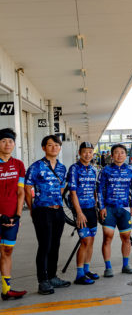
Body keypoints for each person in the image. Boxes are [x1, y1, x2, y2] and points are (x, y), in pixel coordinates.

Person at [25, 135, 70, 295]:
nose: (54, 148)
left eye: (56, 145)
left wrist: (56, 199)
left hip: (58, 210)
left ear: (60, 148)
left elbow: (62, 187)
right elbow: (27, 189)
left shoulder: (62, 168)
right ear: (44, 148)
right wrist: (33, 209)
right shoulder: (36, 166)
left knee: (55, 245)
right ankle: (42, 280)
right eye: (50, 145)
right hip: (42, 210)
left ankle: (52, 276)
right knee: (45, 245)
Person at [97, 144, 132, 277]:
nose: (119, 155)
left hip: (125, 209)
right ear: (112, 155)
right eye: (116, 152)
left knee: (126, 238)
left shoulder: (131, 170)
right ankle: (108, 267)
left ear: (126, 155)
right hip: (109, 209)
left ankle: (126, 265)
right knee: (107, 238)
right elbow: (99, 190)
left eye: (122, 152)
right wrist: (101, 207)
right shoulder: (105, 170)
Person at [0, 128, 27, 300]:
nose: (7, 144)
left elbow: (21, 191)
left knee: (7, 251)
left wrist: (17, 215)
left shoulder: (19, 165)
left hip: (12, 217)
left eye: (10, 141)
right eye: (3, 141)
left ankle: (6, 290)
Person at [67, 142, 99, 285]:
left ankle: (86, 270)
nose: (87, 154)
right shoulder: (74, 169)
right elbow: (72, 193)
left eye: (90, 152)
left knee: (91, 240)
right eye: (85, 151)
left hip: (91, 208)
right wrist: (79, 213)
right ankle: (79, 274)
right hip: (80, 209)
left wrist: (97, 206)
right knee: (84, 241)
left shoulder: (93, 169)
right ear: (79, 153)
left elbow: (94, 190)